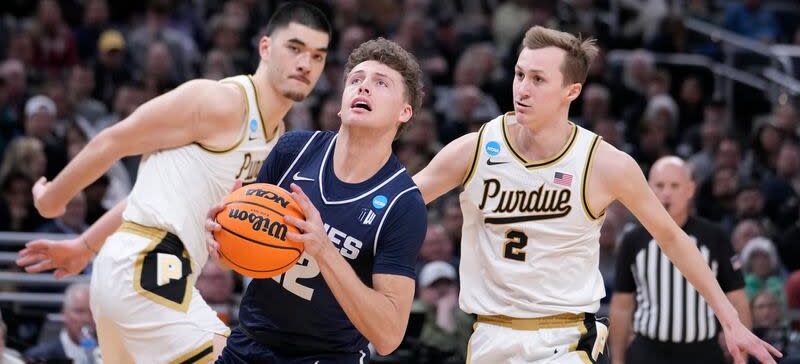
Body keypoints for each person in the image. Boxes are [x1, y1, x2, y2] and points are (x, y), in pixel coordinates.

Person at [410, 26, 780, 363]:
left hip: (565, 340)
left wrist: (730, 320)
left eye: (538, 79)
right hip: (490, 333)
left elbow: (672, 237)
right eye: (520, 74)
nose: (522, 89)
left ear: (572, 91)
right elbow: (396, 202)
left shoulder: (604, 163)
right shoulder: (475, 149)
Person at [17, 2, 332, 362]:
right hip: (149, 271)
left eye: (317, 56)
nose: (305, 63)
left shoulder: (275, 138)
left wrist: (86, 246)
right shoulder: (219, 101)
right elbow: (113, 141)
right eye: (295, 48)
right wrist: (51, 201)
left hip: (135, 270)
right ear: (265, 48)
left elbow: (148, 194)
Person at [210, 38, 428, 363]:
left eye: (380, 83)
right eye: (356, 80)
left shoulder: (403, 204)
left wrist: (324, 250)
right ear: (341, 103)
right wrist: (223, 239)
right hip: (249, 345)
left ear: (404, 112)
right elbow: (241, 259)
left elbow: (388, 337)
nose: (363, 87)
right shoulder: (292, 151)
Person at [609, 156, 750, 364]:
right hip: (649, 352)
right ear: (649, 189)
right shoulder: (633, 240)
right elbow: (622, 305)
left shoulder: (714, 236)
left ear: (690, 190)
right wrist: (617, 360)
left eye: (674, 185)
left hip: (703, 352)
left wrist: (742, 359)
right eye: (659, 185)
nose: (667, 193)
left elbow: (737, 298)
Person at [24, 283, 97, 363]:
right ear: (65, 314)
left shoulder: (109, 353)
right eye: (79, 311)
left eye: (93, 312)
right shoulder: (38, 356)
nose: (86, 318)